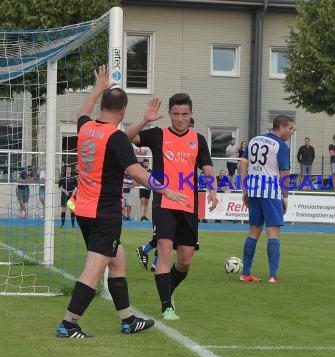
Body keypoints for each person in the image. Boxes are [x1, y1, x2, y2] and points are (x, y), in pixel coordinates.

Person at [55, 65, 186, 339]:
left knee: (118, 260)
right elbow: (137, 172)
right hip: (104, 214)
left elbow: (82, 112)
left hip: (83, 210)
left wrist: (97, 87)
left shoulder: (86, 127)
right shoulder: (115, 138)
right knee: (94, 269)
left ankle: (127, 320)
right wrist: (167, 191)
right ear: (123, 111)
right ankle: (68, 324)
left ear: (103, 105)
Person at [126, 93, 218, 321]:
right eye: (175, 114)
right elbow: (124, 137)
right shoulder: (158, 135)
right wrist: (145, 119)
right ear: (169, 114)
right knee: (165, 252)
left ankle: (169, 292)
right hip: (163, 202)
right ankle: (167, 307)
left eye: (184, 114)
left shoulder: (198, 139)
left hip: (188, 205)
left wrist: (213, 191)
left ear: (191, 114)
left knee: (185, 261)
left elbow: (207, 168)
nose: (180, 119)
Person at [238, 115, 295, 284]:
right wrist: (285, 197)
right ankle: (272, 275)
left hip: (254, 191)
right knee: (273, 234)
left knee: (253, 233)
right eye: (290, 128)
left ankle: (246, 273)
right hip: (271, 192)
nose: (291, 132)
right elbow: (284, 173)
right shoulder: (281, 145)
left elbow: (243, 164)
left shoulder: (254, 140)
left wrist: (245, 189)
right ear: (282, 127)